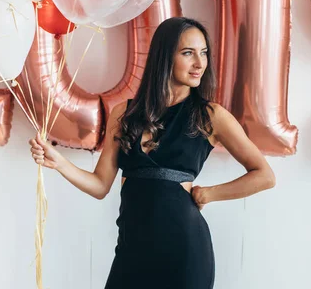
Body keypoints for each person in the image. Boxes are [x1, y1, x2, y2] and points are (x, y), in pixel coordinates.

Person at [29, 17, 276, 289]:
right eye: (188, 53)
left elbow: (264, 175)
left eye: (204, 53)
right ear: (164, 56)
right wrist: (60, 163)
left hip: (184, 250)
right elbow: (100, 185)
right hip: (132, 249)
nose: (199, 63)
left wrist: (210, 193)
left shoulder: (211, 116)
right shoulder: (125, 114)